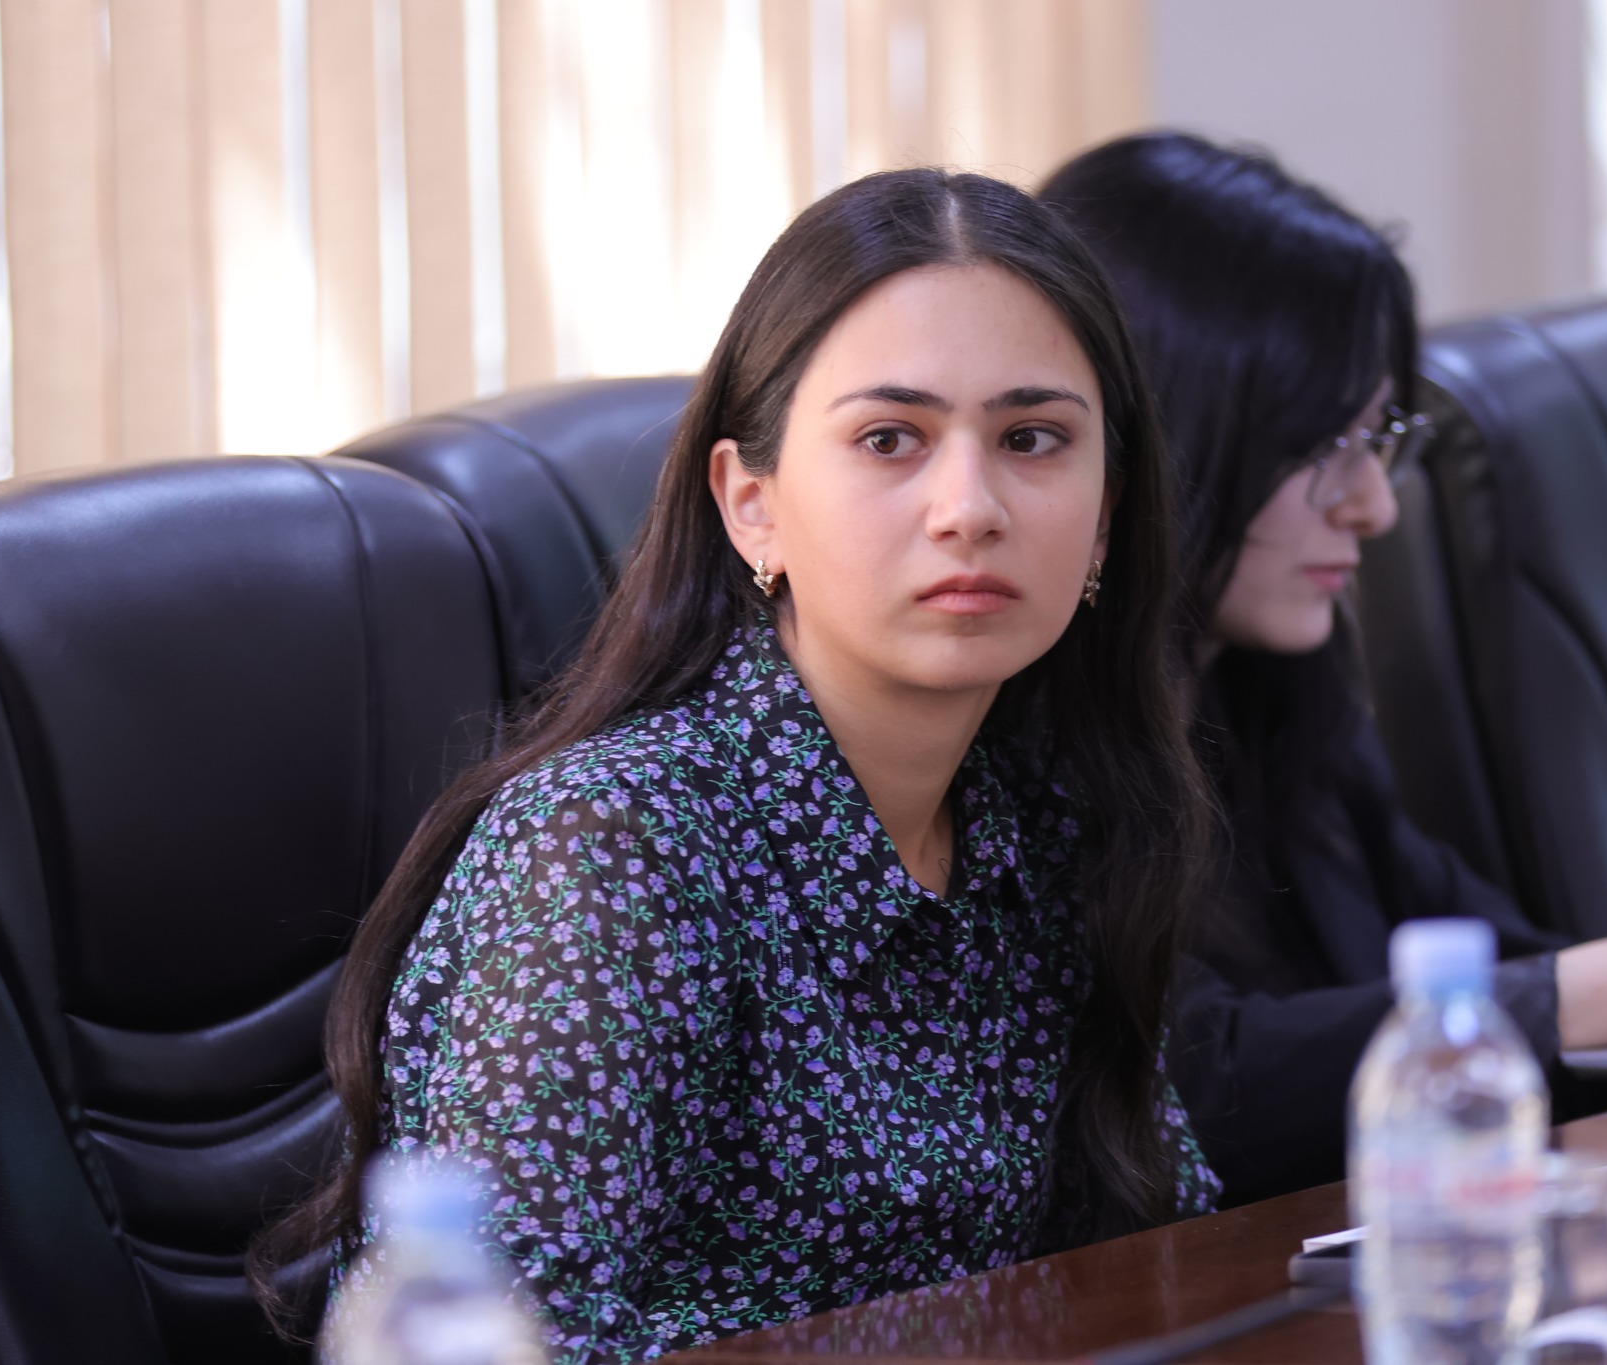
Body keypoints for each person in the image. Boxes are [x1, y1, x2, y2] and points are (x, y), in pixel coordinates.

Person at [250, 168, 1218, 1363]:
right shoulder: (617, 847)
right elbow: (492, 1340)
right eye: (889, 440)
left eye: (1031, 440)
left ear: (1105, 513)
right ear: (750, 504)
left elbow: (1157, 1261)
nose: (967, 507)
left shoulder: (1041, 823)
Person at [1039, 132, 1607, 1206]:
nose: (1373, 506)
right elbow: (1196, 1089)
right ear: (1166, 441)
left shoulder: (1273, 696)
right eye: (1320, 450)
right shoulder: (1019, 743)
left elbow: (1496, 970)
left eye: (1376, 439)